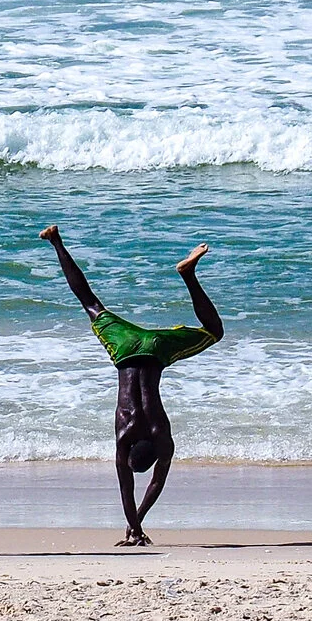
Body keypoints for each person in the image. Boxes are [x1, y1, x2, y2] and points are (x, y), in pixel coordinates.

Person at [40, 227, 224, 545]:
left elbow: (143, 486)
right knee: (90, 303)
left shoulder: (160, 438)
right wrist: (135, 524)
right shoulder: (128, 436)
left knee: (213, 331)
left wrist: (135, 527)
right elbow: (134, 488)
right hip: (127, 348)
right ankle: (55, 241)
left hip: (152, 349)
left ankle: (188, 275)